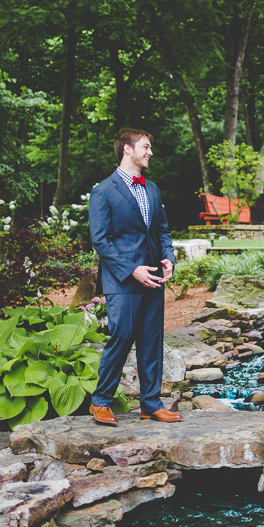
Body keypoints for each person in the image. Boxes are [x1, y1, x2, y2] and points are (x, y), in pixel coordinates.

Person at [86, 128, 182, 425]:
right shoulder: (103, 191)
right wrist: (131, 269)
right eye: (145, 146)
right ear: (127, 149)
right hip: (122, 280)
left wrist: (168, 258)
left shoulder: (152, 189)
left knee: (151, 340)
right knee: (122, 336)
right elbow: (100, 240)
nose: (150, 152)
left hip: (154, 277)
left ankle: (150, 404)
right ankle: (100, 402)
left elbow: (162, 230)